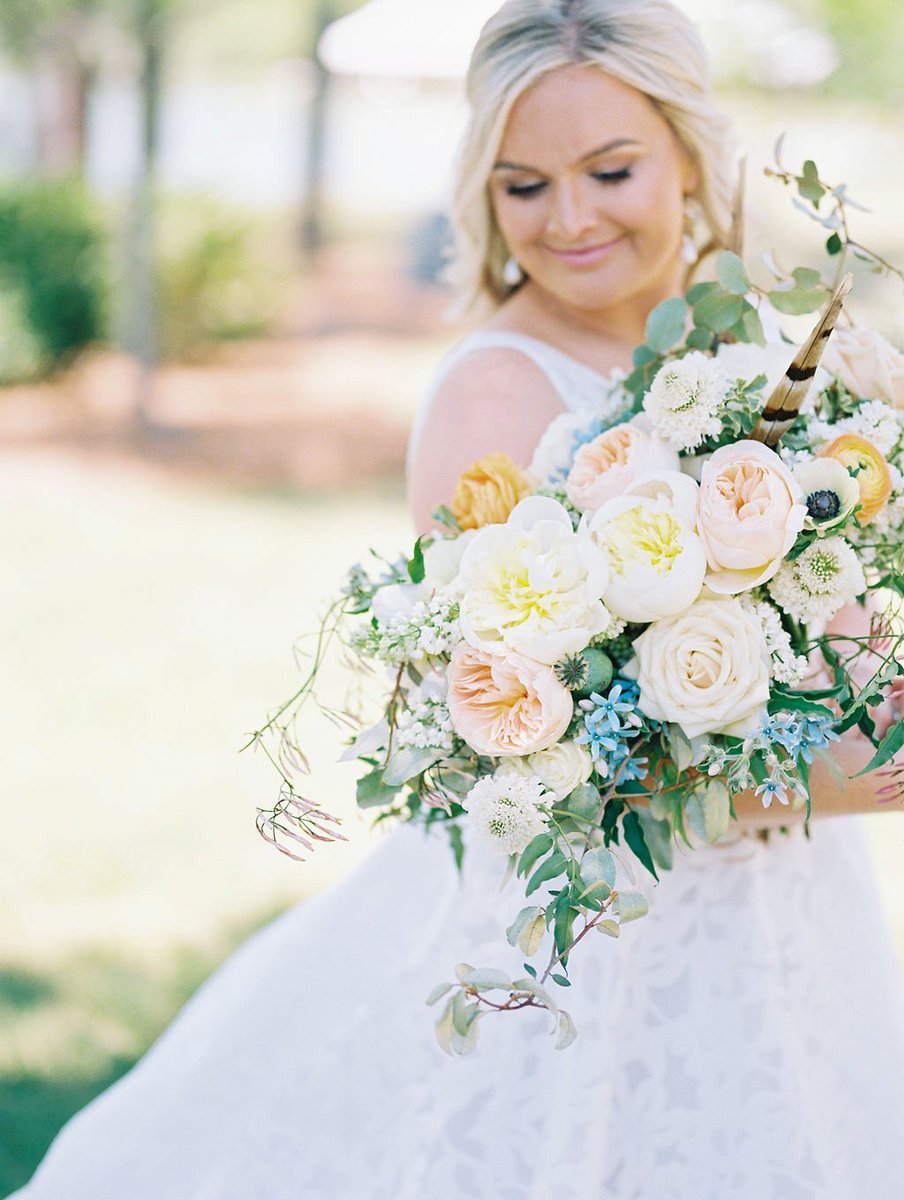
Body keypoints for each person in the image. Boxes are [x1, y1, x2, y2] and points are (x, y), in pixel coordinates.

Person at [10, 3, 904, 1198]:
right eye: (524, 183)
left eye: (610, 169)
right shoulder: (496, 396)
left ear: (689, 153)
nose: (570, 218)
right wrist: (842, 772)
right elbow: (528, 750)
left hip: (787, 913)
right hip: (589, 949)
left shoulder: (764, 359)